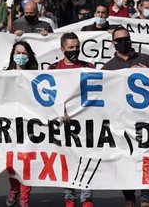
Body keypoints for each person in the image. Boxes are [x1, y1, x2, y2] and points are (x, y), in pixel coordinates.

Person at [103, 28, 149, 206]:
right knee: (125, 159)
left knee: (147, 156)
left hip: (145, 120)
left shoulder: (145, 60)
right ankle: (129, 197)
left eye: (126, 39)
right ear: (113, 43)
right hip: (121, 121)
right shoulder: (108, 68)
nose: (123, 42)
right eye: (119, 40)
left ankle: (146, 195)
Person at [47, 33, 94, 207]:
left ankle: (87, 197)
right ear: (62, 49)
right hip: (63, 123)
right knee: (67, 160)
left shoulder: (89, 67)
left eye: (77, 47)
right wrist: (61, 110)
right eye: (70, 48)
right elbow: (49, 97)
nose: (74, 50)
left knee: (86, 158)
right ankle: (70, 196)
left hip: (85, 121)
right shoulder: (53, 70)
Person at [5, 41, 39, 207]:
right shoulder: (4, 75)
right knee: (11, 163)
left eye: (24, 53)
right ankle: (14, 188)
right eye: (18, 53)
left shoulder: (37, 77)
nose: (21, 56)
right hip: (10, 127)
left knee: (27, 163)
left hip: (30, 127)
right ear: (12, 55)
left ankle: (24, 199)